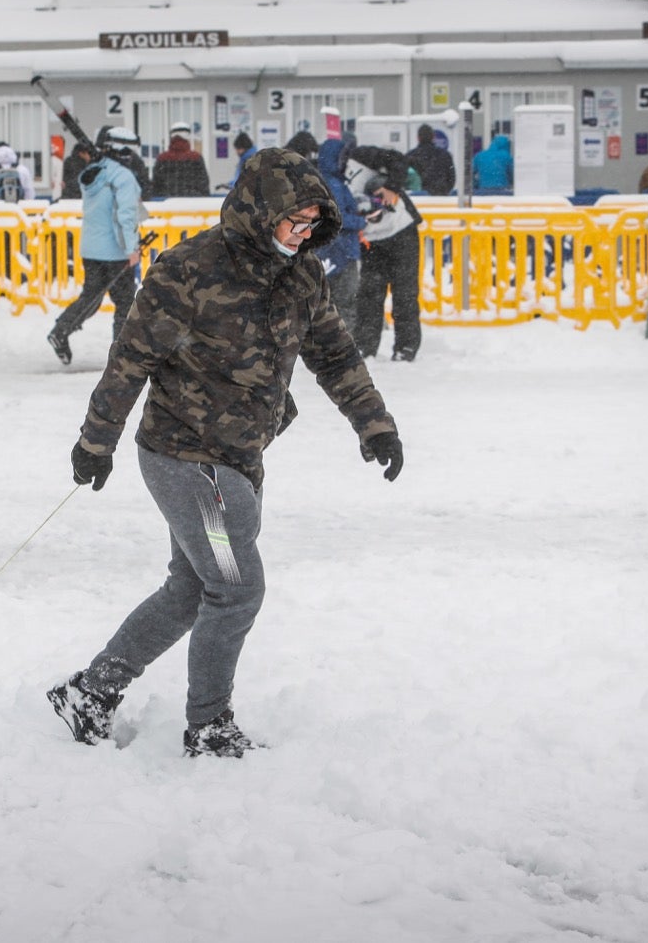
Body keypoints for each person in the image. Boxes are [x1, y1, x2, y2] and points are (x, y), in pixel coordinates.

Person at [47, 147, 403, 758]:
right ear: (262, 212)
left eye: (314, 222)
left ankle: (92, 690)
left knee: (192, 590)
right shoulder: (189, 270)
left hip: (241, 456)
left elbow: (336, 355)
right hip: (186, 456)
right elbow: (130, 361)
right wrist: (95, 442)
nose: (304, 232)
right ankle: (209, 724)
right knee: (236, 587)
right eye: (295, 219)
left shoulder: (302, 275)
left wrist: (374, 425)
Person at [46, 129, 143, 366]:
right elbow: (126, 215)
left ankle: (61, 329)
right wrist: (132, 249)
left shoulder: (93, 172)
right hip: (116, 251)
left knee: (91, 297)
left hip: (91, 248)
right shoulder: (123, 177)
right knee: (124, 303)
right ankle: (121, 354)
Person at [347, 146, 423, 361]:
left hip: (402, 231)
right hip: (370, 240)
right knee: (369, 294)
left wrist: (392, 187)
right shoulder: (329, 183)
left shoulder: (359, 156)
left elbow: (399, 160)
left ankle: (405, 348)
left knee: (405, 292)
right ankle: (365, 347)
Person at [315, 136, 365, 324]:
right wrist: (362, 221)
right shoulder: (335, 185)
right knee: (346, 303)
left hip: (328, 252)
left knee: (328, 304)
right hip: (342, 251)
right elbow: (338, 218)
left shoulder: (321, 182)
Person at [151, 123, 211, 198]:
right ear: (187, 136)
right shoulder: (196, 157)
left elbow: (156, 185)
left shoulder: (162, 158)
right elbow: (204, 184)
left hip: (167, 203)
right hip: (193, 203)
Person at [404, 126, 457, 196]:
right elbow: (451, 178)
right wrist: (444, 191)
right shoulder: (445, 155)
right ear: (433, 137)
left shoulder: (410, 156)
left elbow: (403, 177)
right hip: (441, 197)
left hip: (417, 198)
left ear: (418, 138)